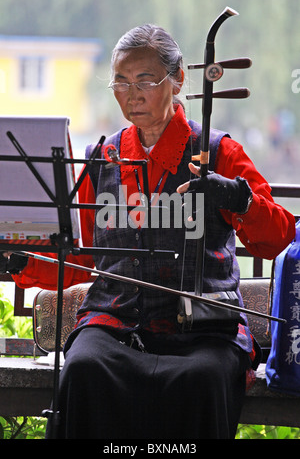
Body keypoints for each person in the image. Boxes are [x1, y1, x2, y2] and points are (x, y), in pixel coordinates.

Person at [0, 24, 295, 439]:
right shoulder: (101, 159)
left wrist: (238, 199)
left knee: (203, 379)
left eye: (145, 81)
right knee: (83, 368)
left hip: (204, 328)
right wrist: (19, 262)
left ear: (178, 81)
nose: (131, 95)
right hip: (114, 322)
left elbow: (281, 236)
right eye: (120, 82)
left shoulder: (218, 152)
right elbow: (82, 260)